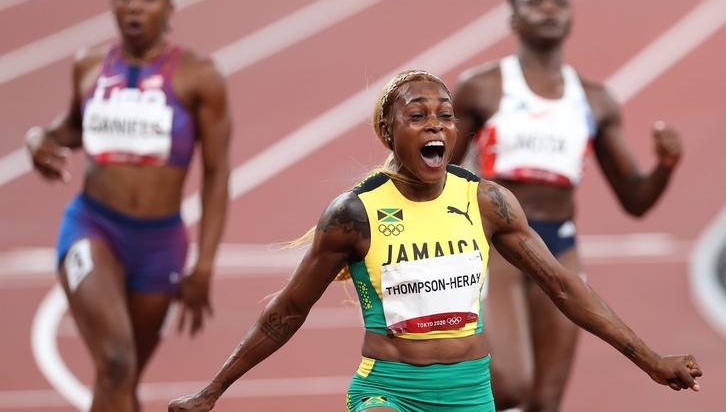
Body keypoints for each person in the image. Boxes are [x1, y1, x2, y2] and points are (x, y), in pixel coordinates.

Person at [167, 70, 699, 412]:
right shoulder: (354, 214)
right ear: (388, 131)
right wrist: (213, 391)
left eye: (445, 115)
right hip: (389, 392)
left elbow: (563, 286)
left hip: (470, 394)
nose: (435, 126)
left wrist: (651, 360)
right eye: (417, 117)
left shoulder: (486, 202)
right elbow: (286, 311)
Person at [450, 0, 684, 412]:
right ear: (513, 18)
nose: (549, 9)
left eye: (558, 2)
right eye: (536, 2)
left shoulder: (595, 100)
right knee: (510, 385)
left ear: (572, 18)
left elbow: (635, 200)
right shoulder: (482, 88)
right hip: (495, 242)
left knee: (546, 400)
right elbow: (438, 170)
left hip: (558, 244)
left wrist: (666, 166)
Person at [24, 0, 231, 411]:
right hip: (93, 228)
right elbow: (71, 128)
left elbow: (217, 174)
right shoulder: (89, 65)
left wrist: (204, 265)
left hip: (160, 245)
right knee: (116, 363)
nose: (135, 6)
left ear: (169, 8)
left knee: (123, 377)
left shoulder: (199, 76)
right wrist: (38, 139)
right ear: (112, 4)